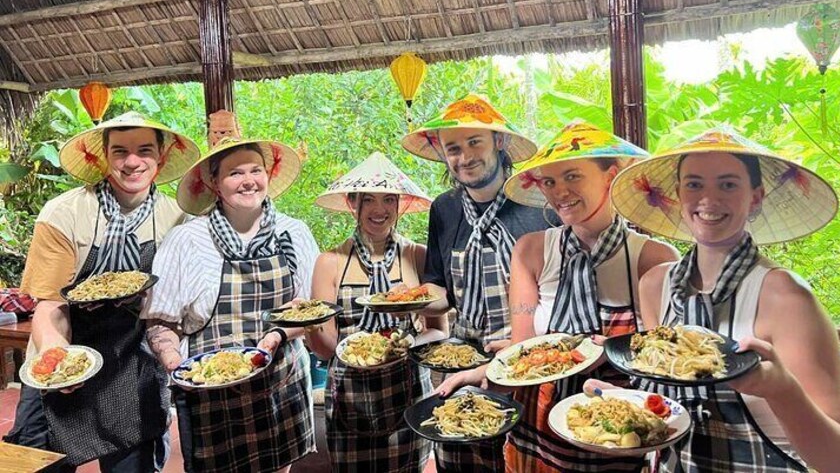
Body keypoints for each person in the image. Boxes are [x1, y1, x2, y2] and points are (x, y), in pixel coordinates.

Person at [600, 126, 840, 472]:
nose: (709, 199)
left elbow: (839, 460)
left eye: (728, 184)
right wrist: (623, 403)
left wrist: (781, 390)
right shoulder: (655, 285)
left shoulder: (787, 297)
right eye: (694, 184)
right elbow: (672, 404)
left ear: (756, 197)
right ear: (677, 193)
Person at [6, 112, 200, 471]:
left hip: (133, 362)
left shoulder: (178, 220)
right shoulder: (64, 213)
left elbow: (173, 308)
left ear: (162, 156)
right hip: (62, 348)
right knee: (34, 461)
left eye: (144, 150)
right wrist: (58, 360)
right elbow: (51, 305)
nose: (132, 162)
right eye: (119, 151)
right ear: (103, 157)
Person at [496, 121, 679, 472]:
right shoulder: (531, 251)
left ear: (611, 176)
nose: (558, 191)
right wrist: (490, 370)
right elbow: (521, 350)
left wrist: (611, 349)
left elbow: (665, 361)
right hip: (537, 431)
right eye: (549, 181)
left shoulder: (654, 258)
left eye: (572, 176)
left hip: (619, 432)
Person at [142, 137, 319, 473]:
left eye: (256, 170)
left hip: (280, 384)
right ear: (213, 182)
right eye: (235, 173)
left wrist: (279, 334)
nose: (248, 180)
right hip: (210, 394)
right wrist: (177, 366)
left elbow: (309, 311)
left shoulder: (293, 233)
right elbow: (159, 321)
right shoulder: (188, 240)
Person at [400, 94, 551, 472]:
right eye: (453, 148)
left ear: (499, 142)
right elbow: (440, 293)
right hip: (462, 358)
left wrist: (524, 349)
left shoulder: (539, 205)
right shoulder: (444, 209)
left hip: (528, 361)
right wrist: (409, 300)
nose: (464, 157)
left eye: (474, 143)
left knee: (520, 461)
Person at [307, 152, 448, 472]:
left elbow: (440, 329)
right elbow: (323, 346)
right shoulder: (330, 262)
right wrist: (310, 324)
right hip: (349, 398)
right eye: (367, 199)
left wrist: (404, 347)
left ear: (399, 205)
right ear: (352, 204)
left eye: (388, 199)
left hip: (409, 394)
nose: (379, 209)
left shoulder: (418, 256)